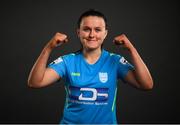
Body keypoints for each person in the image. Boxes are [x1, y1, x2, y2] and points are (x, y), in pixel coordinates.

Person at [28, 9, 153, 124]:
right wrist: (49, 48)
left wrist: (131, 49)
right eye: (86, 29)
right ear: (78, 32)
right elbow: (35, 82)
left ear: (105, 33)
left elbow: (147, 84)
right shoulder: (67, 61)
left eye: (98, 30)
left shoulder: (115, 61)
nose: (92, 35)